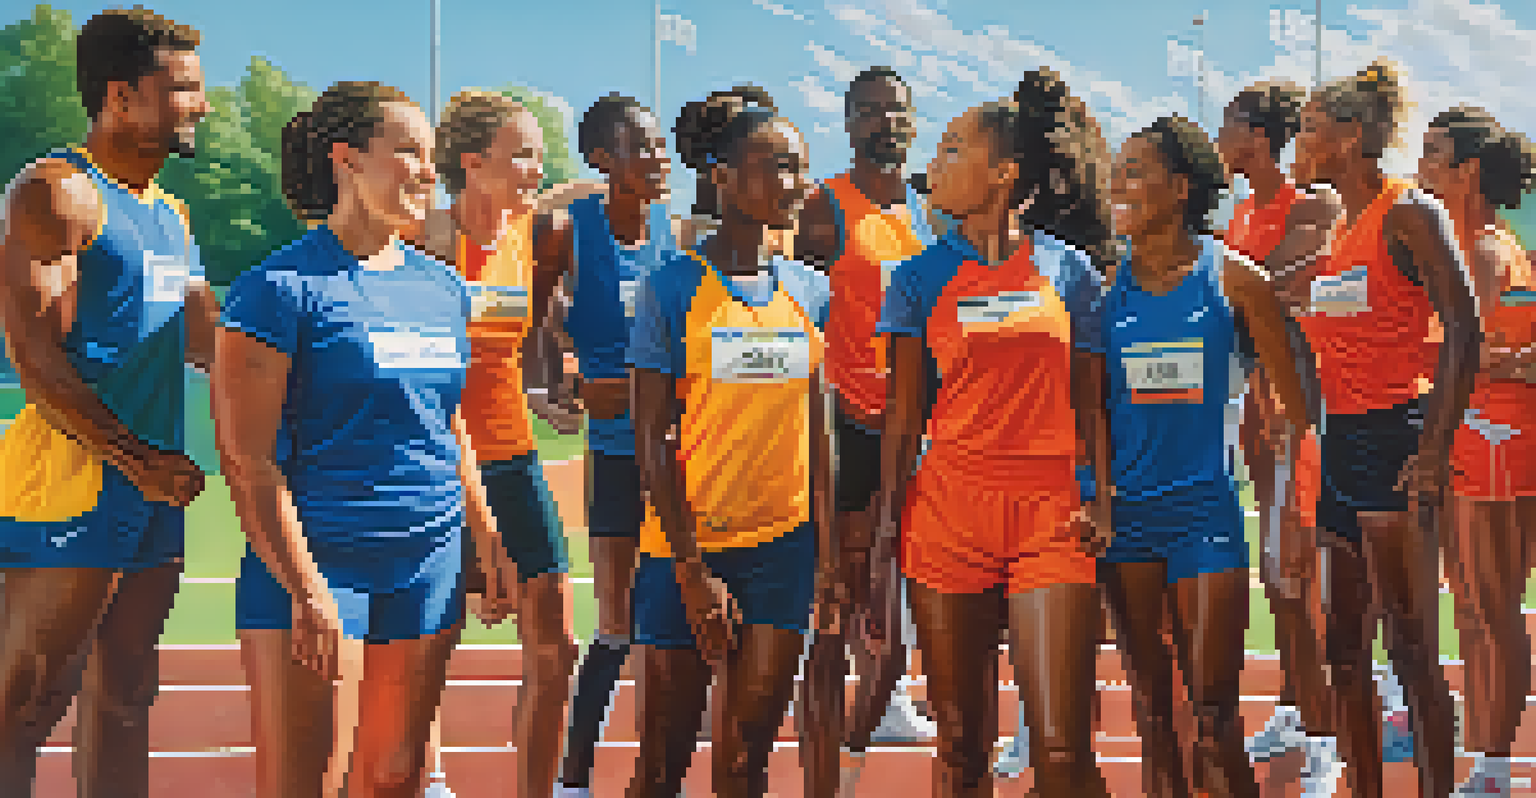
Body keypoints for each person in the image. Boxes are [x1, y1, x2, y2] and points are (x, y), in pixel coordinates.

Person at [219, 81, 514, 798]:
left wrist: (487, 534)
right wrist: (306, 589)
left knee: (396, 778)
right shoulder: (277, 289)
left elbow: (446, 421)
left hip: (428, 567)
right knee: (305, 786)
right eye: (408, 151)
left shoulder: (444, 290)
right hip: (319, 566)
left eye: (431, 155)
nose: (426, 171)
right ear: (348, 160)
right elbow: (248, 460)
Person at [872, 70, 1113, 798]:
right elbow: (903, 416)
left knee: (1064, 751)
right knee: (962, 748)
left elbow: (1093, 405)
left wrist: (1101, 495)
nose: (932, 166)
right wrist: (887, 529)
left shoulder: (1067, 270)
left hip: (1052, 514)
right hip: (948, 516)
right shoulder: (917, 278)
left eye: (951, 149)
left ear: (1002, 172)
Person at [0, 8, 214, 794]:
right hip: (73, 480)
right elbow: (39, 367)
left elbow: (206, 341)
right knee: (24, 702)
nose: (204, 103)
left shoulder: (170, 214)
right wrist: (139, 461)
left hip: (154, 485)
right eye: (185, 88)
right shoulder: (57, 195)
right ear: (121, 98)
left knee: (125, 696)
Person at [625, 97, 839, 798]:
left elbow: (820, 429)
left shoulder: (812, 291)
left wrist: (829, 558)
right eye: (778, 166)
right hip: (683, 553)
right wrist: (691, 571)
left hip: (782, 552)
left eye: (801, 168)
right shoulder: (672, 290)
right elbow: (652, 437)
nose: (798, 183)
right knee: (660, 768)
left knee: (746, 762)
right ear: (720, 176)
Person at [1102, 114, 1321, 798]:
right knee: (1152, 711)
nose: (1119, 183)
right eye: (1117, 170)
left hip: (1205, 515)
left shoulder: (1236, 281)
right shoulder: (1102, 293)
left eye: (1135, 170)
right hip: (1127, 521)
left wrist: (1290, 507)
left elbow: (1295, 409)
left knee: (1215, 710)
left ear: (1179, 188)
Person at [1292, 59, 1480, 798]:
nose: (1298, 142)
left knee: (1409, 648)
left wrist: (1434, 448)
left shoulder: (1410, 210)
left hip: (1398, 438)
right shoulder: (1341, 231)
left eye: (1309, 129)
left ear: (1350, 135)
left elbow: (1462, 321)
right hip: (1342, 446)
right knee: (1343, 651)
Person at [412, 89, 581, 798]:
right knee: (426, 646)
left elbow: (511, 352)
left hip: (512, 456)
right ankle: (429, 780)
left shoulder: (534, 236)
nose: (536, 166)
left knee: (556, 646)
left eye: (540, 153)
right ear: (472, 164)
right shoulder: (429, 238)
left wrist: (549, 391)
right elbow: (429, 380)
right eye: (522, 154)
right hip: (439, 461)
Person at [790, 65, 938, 798]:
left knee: (908, 559)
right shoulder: (826, 209)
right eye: (873, 111)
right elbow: (798, 307)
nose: (888, 122)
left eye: (898, 110)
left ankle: (893, 687)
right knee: (852, 569)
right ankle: (837, 691)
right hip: (850, 419)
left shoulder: (927, 211)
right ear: (848, 123)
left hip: (918, 420)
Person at [1216, 81, 1355, 789]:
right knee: (1277, 577)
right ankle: (1297, 708)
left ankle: (1328, 738)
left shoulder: (1313, 205)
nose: (1219, 133)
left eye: (1229, 122)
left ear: (1259, 136)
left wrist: (1214, 274)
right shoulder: (1241, 211)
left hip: (1309, 410)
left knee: (1301, 575)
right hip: (1260, 409)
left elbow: (1268, 286)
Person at [548, 92, 679, 797]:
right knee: (618, 623)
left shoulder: (673, 233)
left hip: (675, 450)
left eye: (660, 145)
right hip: (615, 451)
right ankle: (574, 778)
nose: (658, 158)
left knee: (680, 621)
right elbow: (536, 315)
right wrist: (559, 379)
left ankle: (663, 773)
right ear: (601, 159)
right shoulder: (570, 231)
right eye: (640, 146)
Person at [1421, 106, 1536, 798]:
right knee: (1472, 606)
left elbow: (1468, 353)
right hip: (1479, 431)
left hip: (1494, 439)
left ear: (1467, 171)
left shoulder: (1486, 250)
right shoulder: (1472, 242)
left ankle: (1493, 765)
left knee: (1489, 609)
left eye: (1433, 155)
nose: (1419, 167)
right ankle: (1483, 753)